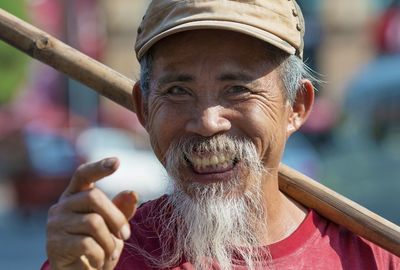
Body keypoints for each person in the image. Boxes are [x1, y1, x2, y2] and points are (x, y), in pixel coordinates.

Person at [42, 1, 400, 269]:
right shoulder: (103, 254)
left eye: (238, 89)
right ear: (144, 109)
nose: (208, 122)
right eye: (178, 91)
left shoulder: (371, 258)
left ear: (297, 107)